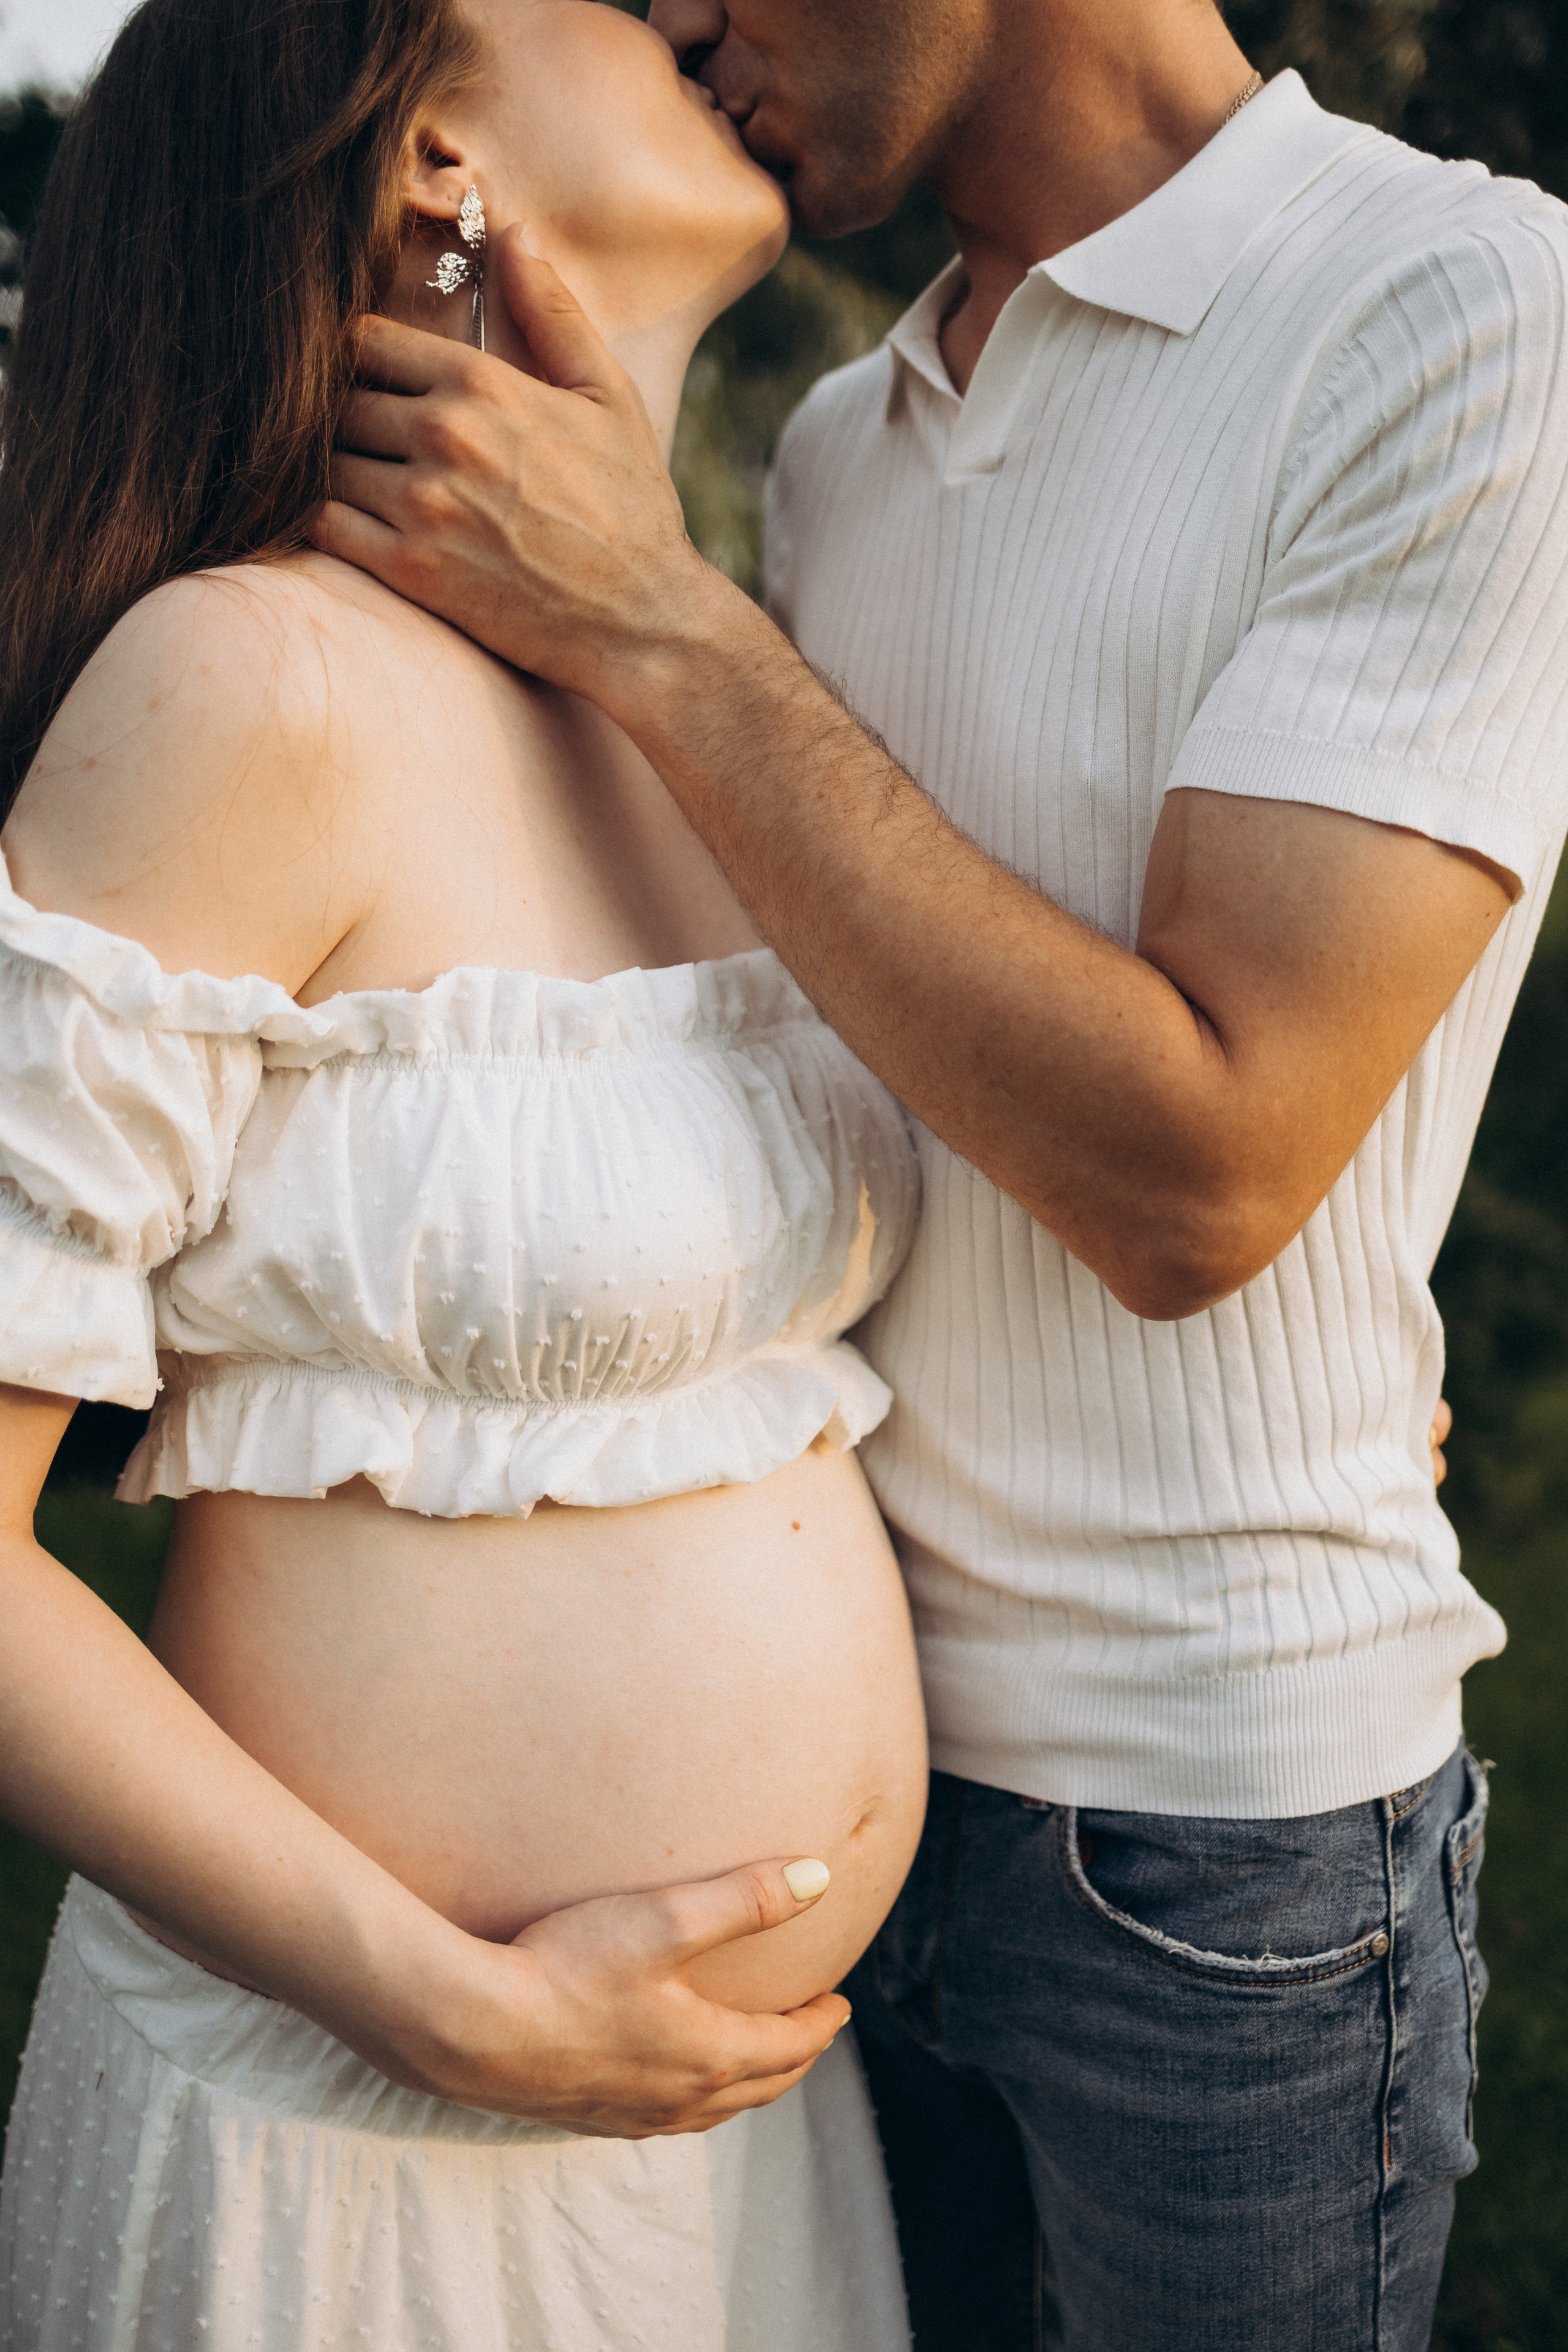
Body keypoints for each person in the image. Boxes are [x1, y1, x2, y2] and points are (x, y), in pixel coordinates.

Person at [312, 0, 1568, 2343]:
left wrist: (664, 625)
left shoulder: (1454, 306)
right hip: (837, 1836)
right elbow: (876, 1075)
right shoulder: (836, 443)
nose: (676, 26)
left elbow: (1201, 1178)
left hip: (1221, 1872)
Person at [0, 0, 931, 2343]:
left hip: (745, 2155)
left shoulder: (709, 694)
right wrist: (443, 2002)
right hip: (354, 2148)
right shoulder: (247, 688)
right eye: (624, 0)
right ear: (433, 153)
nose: (708, 18)